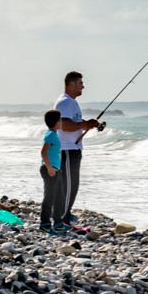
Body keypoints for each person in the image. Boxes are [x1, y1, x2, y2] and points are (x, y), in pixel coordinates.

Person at [52, 70, 106, 232]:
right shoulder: (65, 102)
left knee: (70, 185)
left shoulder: (70, 102)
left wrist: (90, 124)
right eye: (80, 83)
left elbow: (73, 121)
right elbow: (64, 125)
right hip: (67, 149)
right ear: (71, 84)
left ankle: (64, 218)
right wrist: (85, 125)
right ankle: (62, 221)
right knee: (69, 185)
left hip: (72, 149)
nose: (83, 86)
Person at [38, 109, 65, 232]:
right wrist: (49, 167)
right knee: (49, 197)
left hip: (55, 169)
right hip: (49, 169)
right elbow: (43, 152)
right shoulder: (50, 135)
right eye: (60, 120)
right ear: (56, 122)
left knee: (59, 197)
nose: (61, 122)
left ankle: (58, 223)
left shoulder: (54, 134)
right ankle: (44, 224)